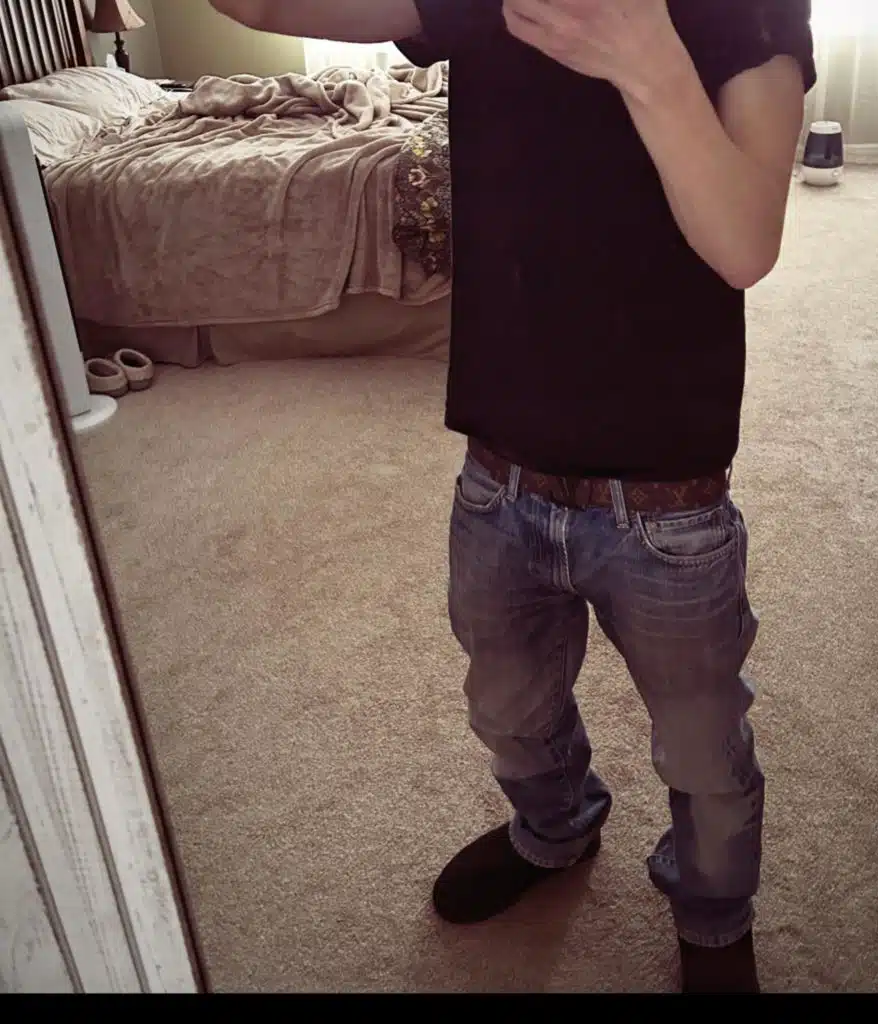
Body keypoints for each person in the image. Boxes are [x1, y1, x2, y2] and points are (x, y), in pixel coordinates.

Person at [210, 0, 818, 993]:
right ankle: (554, 826)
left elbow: (746, 244)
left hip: (667, 503)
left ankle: (713, 915)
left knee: (703, 747)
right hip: (499, 476)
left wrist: (648, 63)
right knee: (506, 705)